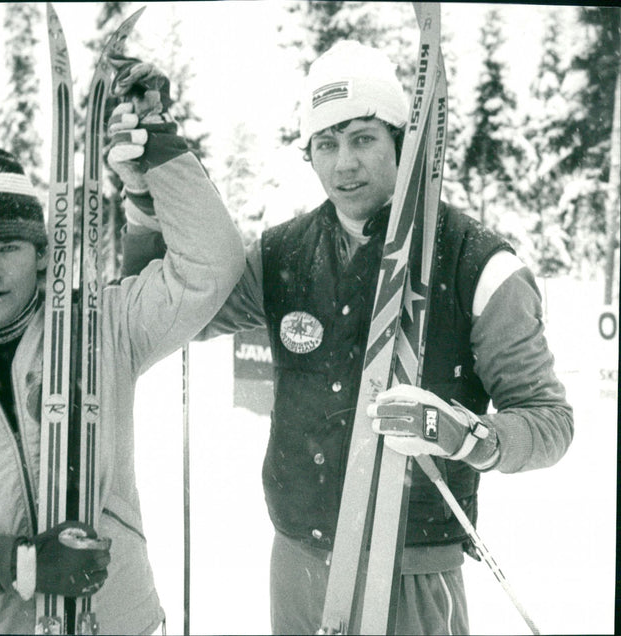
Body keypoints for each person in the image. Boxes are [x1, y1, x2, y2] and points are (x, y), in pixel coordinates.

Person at [119, 40, 574, 635]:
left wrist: (464, 434)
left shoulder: (476, 263)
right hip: (299, 558)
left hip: (412, 563)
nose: (344, 163)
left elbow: (549, 422)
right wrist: (150, 202)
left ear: (400, 143)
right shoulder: (282, 254)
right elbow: (173, 313)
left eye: (363, 138)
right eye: (326, 144)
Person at [0, 106, 245, 634]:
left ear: (41, 254)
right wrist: (20, 565)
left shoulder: (103, 329)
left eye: (8, 246)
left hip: (110, 617)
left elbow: (210, 265)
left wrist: (161, 159)